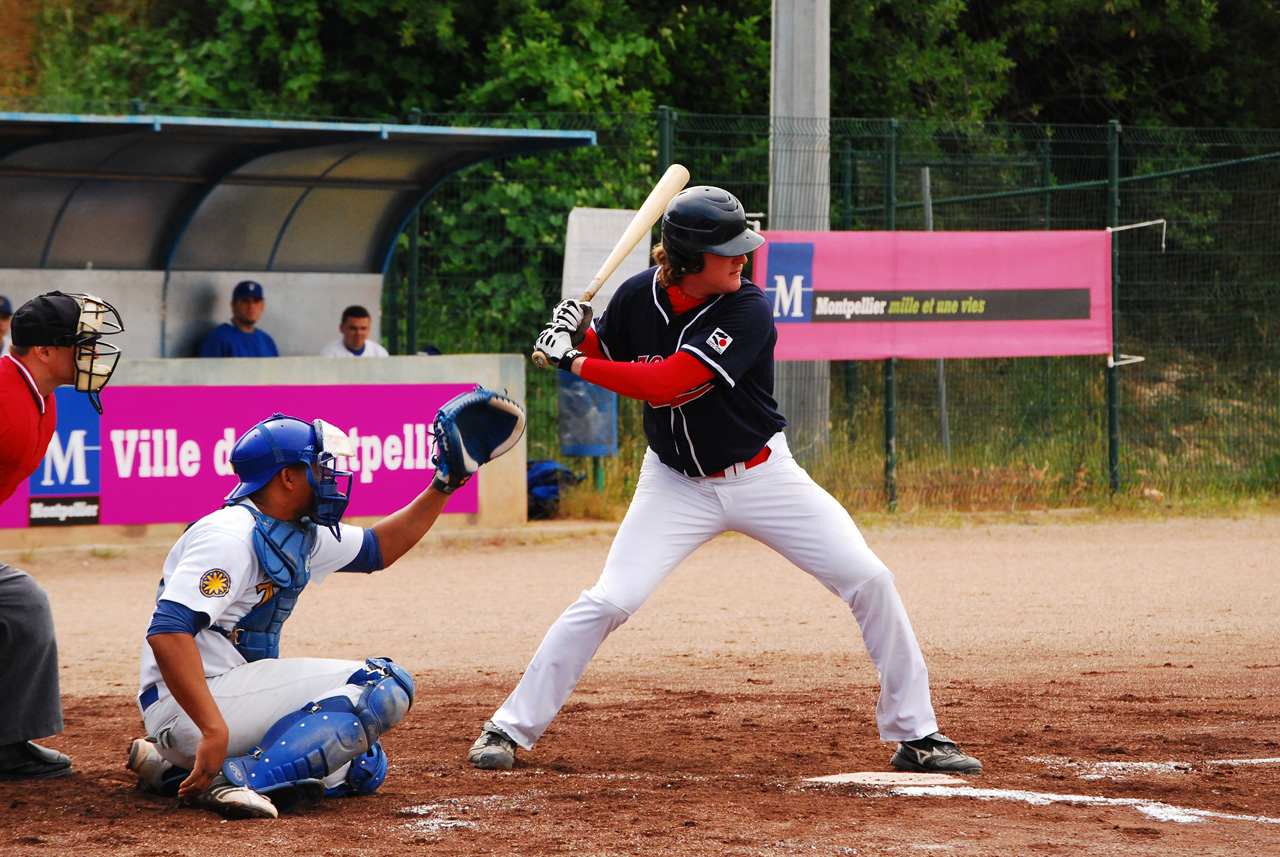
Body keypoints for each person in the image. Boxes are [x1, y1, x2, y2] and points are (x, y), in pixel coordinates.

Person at [468, 186, 982, 776]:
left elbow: (670, 384)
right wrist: (576, 333)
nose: (744, 258)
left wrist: (574, 361)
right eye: (728, 249)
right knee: (610, 599)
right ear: (687, 260)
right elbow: (612, 349)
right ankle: (508, 727)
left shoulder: (748, 310)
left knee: (871, 580)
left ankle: (917, 735)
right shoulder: (639, 295)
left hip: (764, 476)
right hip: (673, 484)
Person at [125, 391, 524, 819]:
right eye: (318, 467)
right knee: (381, 685)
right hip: (190, 705)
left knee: (363, 765)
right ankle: (236, 782)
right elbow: (167, 631)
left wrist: (445, 485)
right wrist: (211, 727)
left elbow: (378, 549)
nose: (328, 476)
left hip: (220, 700)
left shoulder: (294, 530)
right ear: (287, 478)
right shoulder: (229, 535)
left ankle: (170, 772)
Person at [0, 291, 125, 780]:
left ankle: (7, 744)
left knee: (22, 604)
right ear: (45, 351)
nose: (91, 353)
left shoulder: (43, 402)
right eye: (80, 343)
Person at [198, 280, 279, 357]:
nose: (251, 306)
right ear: (233, 305)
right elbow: (207, 370)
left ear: (262, 306)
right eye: (245, 301)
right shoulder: (218, 338)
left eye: (256, 301)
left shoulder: (267, 341)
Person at [319, 305, 389, 358]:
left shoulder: (379, 353)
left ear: (369, 329)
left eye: (363, 328)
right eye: (353, 328)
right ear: (342, 328)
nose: (358, 333)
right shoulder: (329, 355)